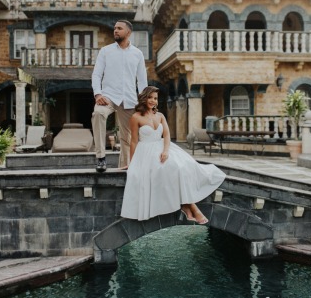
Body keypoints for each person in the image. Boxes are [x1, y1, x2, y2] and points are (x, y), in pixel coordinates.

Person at [121, 86, 226, 223]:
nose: (153, 101)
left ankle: (187, 206)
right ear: (144, 98)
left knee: (182, 166)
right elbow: (134, 141)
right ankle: (192, 208)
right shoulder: (136, 117)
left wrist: (165, 150)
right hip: (145, 151)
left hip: (161, 147)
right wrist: (132, 163)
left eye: (155, 98)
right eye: (150, 97)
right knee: (167, 169)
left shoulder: (160, 116)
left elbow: (167, 135)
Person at [91, 20, 148, 172]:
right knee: (98, 114)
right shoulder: (105, 51)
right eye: (115, 28)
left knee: (127, 137)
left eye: (119, 28)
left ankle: (125, 165)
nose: (115, 30)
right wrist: (97, 94)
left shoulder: (137, 54)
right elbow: (96, 75)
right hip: (107, 96)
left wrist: (145, 103)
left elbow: (142, 81)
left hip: (129, 99)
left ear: (128, 32)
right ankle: (101, 158)